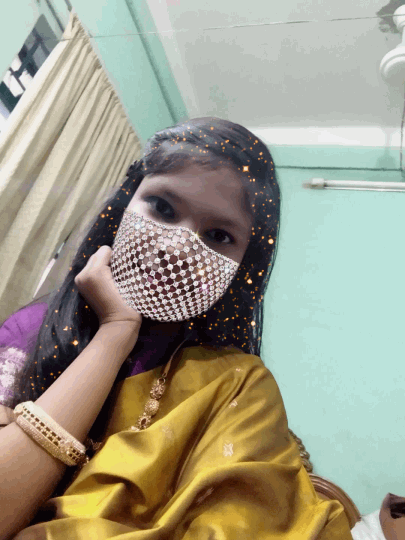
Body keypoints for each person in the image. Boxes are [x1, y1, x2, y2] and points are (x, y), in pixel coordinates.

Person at [0, 116, 353, 539]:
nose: (176, 248)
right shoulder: (29, 330)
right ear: (124, 204)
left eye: (218, 235)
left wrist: (118, 326)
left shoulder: (237, 385)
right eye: (163, 208)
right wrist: (115, 333)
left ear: (242, 270)